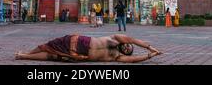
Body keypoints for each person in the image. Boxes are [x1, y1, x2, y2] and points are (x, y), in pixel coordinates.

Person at [15, 34, 162, 63]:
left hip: (80, 55)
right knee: (48, 45)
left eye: (129, 49)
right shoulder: (115, 38)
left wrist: (150, 56)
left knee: (53, 56)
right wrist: (150, 47)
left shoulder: (117, 56)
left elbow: (133, 60)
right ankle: (26, 53)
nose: (129, 46)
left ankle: (23, 56)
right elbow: (135, 40)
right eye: (129, 45)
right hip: (81, 41)